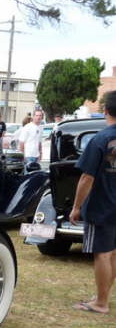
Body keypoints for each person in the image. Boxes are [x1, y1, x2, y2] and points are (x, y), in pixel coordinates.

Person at [69, 91, 116, 314]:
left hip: (103, 206)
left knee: (103, 253)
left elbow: (87, 177)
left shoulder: (100, 139)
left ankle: (101, 303)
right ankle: (102, 295)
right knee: (113, 253)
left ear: (105, 111)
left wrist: (76, 207)